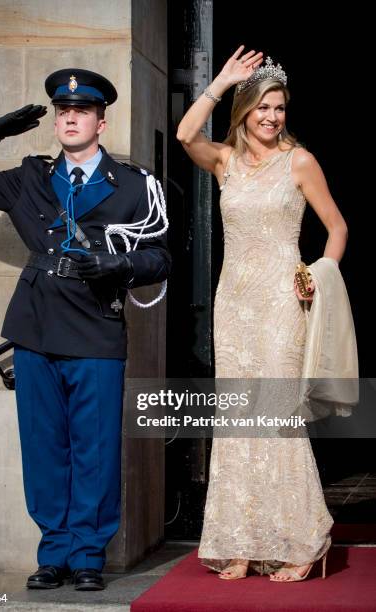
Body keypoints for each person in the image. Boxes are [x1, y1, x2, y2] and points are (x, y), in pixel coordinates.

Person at [0, 69, 170, 590]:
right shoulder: (30, 178)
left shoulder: (135, 186)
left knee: (93, 448)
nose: (71, 117)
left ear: (101, 121)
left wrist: (116, 267)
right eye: (62, 111)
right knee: (45, 447)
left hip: (95, 329)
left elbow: (160, 257)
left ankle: (89, 554)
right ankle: (54, 553)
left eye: (82, 111)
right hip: (36, 328)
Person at [177, 46, 348, 582]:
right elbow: (185, 135)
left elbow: (338, 228)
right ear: (245, 111)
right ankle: (243, 541)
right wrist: (221, 81)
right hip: (234, 304)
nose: (273, 117)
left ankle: (302, 542)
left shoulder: (299, 161)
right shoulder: (225, 161)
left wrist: (316, 274)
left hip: (280, 302)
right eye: (263, 108)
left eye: (279, 108)